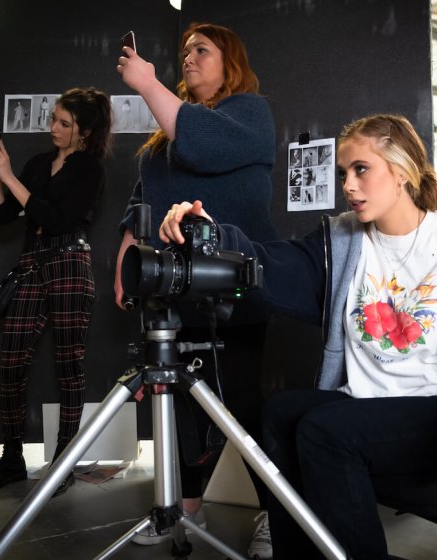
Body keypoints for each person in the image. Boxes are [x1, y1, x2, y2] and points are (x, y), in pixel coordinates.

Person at [159, 113, 437, 560]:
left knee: (324, 431)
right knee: (281, 413)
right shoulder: (342, 241)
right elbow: (269, 263)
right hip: (371, 402)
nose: (348, 185)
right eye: (343, 174)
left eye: (361, 170)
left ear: (404, 170)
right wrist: (210, 236)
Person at [115, 22, 275, 556]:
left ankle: (278, 518)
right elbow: (140, 201)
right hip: (172, 290)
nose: (188, 58)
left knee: (243, 410)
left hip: (233, 288)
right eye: (184, 51)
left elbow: (203, 145)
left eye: (200, 50)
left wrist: (146, 83)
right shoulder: (166, 133)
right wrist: (124, 265)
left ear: (229, 61)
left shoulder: (250, 112)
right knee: (176, 406)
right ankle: (180, 511)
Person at [0, 87, 112, 496]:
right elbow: (1, 214)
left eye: (64, 123)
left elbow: (56, 219)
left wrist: (12, 178)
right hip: (32, 263)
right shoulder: (37, 165)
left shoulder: (90, 170)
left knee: (69, 366)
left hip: (70, 262)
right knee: (11, 362)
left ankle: (62, 464)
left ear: (84, 131)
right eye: (54, 119)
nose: (53, 127)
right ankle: (13, 458)